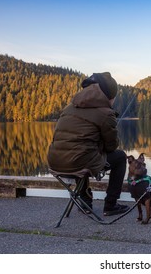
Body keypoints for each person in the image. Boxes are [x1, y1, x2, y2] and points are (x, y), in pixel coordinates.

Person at [47, 72, 129, 216]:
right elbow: (111, 147)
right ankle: (110, 205)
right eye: (113, 97)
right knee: (120, 157)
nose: (113, 100)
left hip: (55, 162)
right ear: (107, 95)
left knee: (79, 154)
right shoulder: (105, 113)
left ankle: (85, 203)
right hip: (79, 162)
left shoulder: (68, 108)